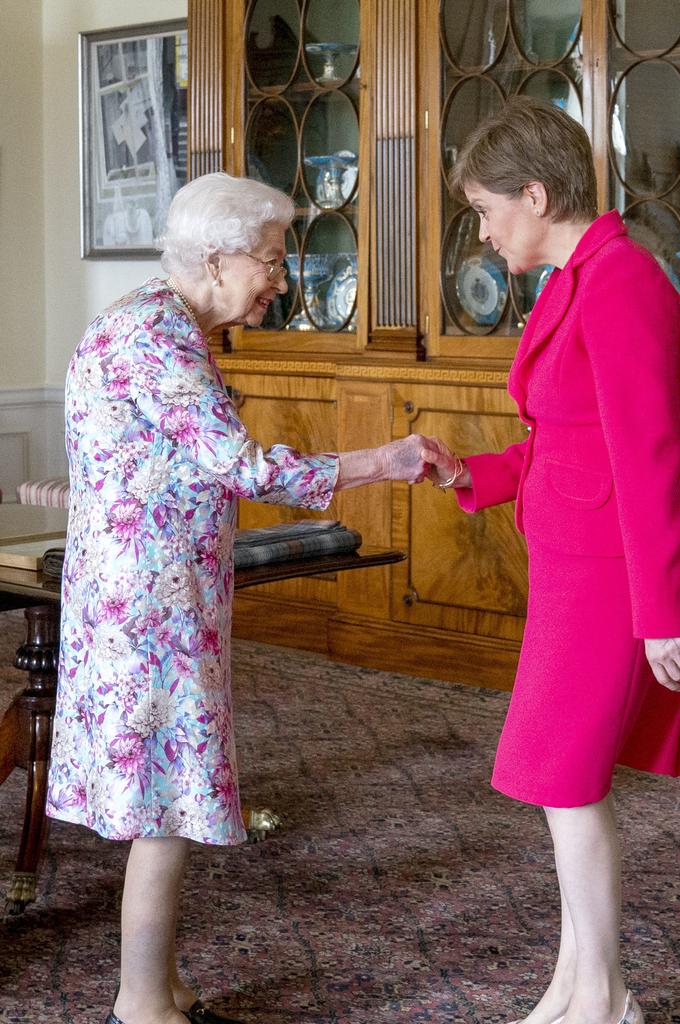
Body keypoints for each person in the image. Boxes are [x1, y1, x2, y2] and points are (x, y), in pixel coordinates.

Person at [45, 172, 430, 1024]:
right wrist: (382, 461)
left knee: (166, 797)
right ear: (216, 260)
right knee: (166, 805)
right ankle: (143, 1008)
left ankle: (166, 988)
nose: (281, 279)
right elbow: (243, 468)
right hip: (149, 613)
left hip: (154, 601)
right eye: (270, 260)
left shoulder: (162, 321)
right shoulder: (159, 338)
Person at [422, 97, 680, 1024]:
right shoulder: (580, 278)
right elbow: (566, 440)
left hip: (610, 578)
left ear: (536, 196)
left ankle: (606, 997)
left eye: (486, 208)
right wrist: (477, 473)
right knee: (561, 784)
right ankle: (578, 983)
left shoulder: (620, 281)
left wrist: (661, 611)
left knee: (564, 780)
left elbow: (650, 454)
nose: (484, 228)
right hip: (573, 570)